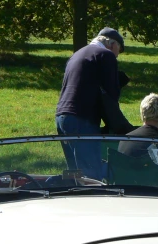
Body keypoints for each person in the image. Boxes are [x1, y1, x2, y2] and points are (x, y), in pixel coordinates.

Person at [56, 27, 125, 180]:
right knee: (91, 174)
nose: (117, 56)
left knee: (74, 173)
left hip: (62, 117)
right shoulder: (106, 55)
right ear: (112, 44)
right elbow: (112, 94)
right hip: (82, 118)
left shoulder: (77, 54)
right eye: (118, 51)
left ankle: (73, 198)